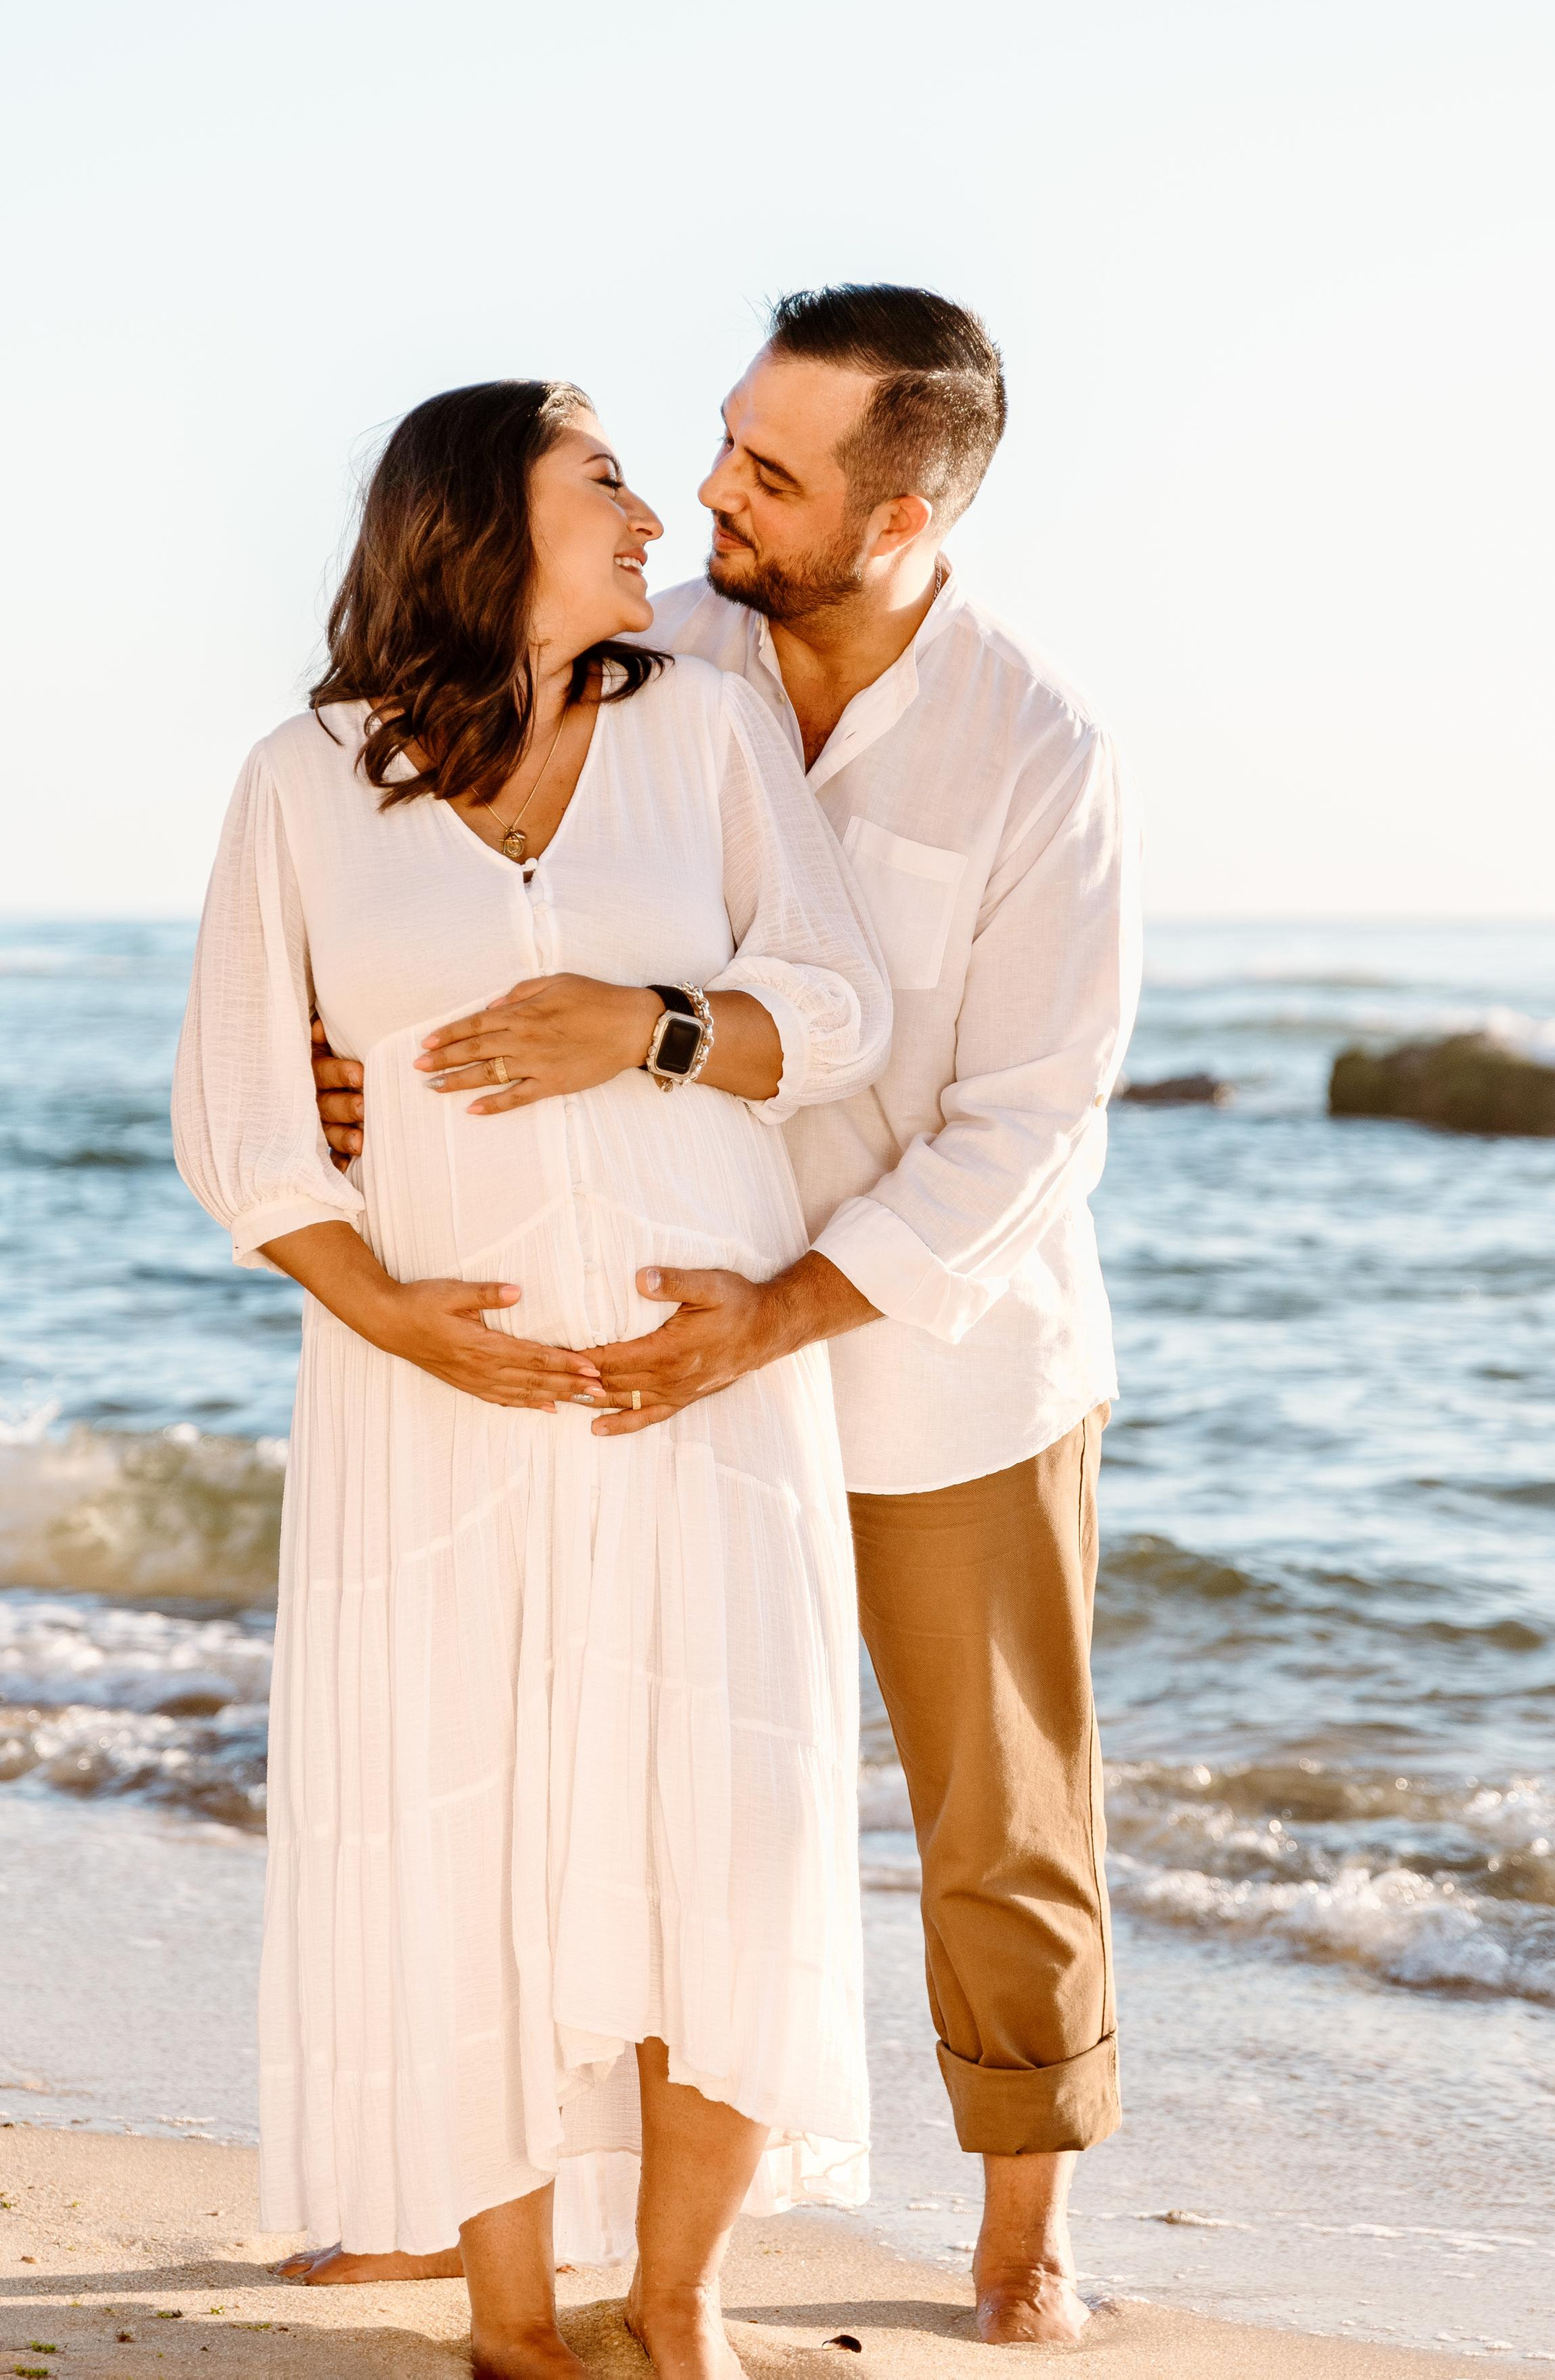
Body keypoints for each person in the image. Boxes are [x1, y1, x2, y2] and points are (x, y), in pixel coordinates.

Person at [313, 289, 1142, 2347]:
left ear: (907, 506)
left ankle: (1023, 2226)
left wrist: (780, 1314)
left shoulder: (1036, 751)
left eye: (770, 473)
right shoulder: (649, 654)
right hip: (650, 1348)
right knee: (609, 1773)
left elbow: (1031, 1117)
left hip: (936, 1353)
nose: (707, 494)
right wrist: (351, 1073)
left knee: (996, 1809)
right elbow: (449, 874)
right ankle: (522, 2206)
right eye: (718, 443)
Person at [173, 378, 892, 2380]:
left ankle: (675, 2308)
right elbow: (243, 1117)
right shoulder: (305, 780)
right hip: (431, 1406)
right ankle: (509, 2325)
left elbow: (837, 1016)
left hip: (703, 1372)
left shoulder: (712, 730)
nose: (653, 509)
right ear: (481, 517)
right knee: (455, 1822)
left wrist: (648, 1028)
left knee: (721, 1816)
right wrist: (390, 1318)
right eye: (604, 481)